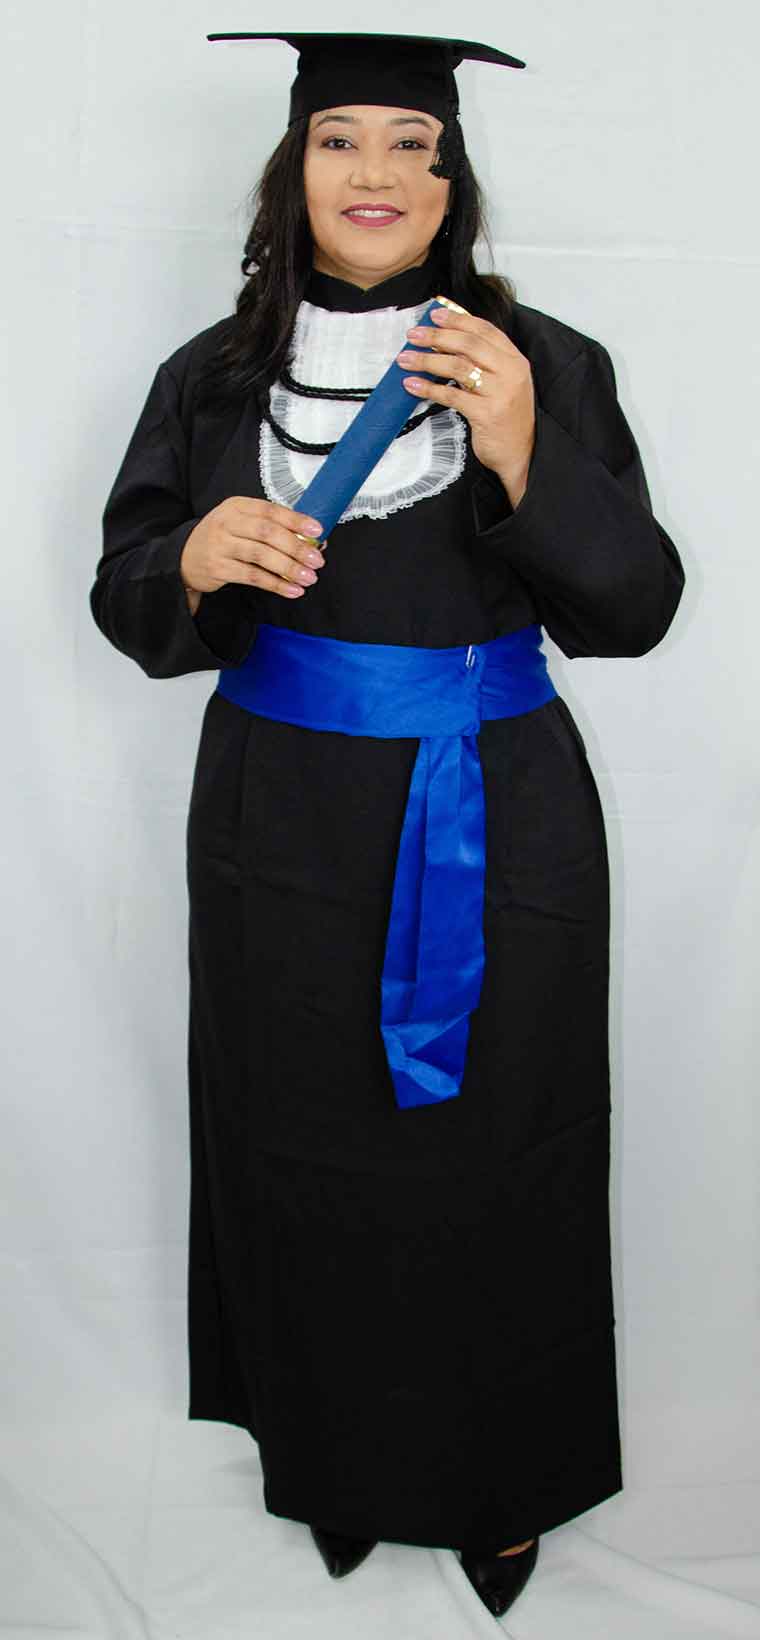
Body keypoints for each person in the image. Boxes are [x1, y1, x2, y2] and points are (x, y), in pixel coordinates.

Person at [89, 30, 686, 1621]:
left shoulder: (540, 362)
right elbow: (130, 602)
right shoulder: (213, 379)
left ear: (451, 179)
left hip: (495, 819)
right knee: (302, 1143)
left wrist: (521, 448)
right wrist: (190, 561)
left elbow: (635, 609)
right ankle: (339, 1463)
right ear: (293, 171)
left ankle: (505, 1483)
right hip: (273, 823)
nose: (374, 172)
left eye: (410, 144)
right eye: (338, 138)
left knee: (499, 1151)